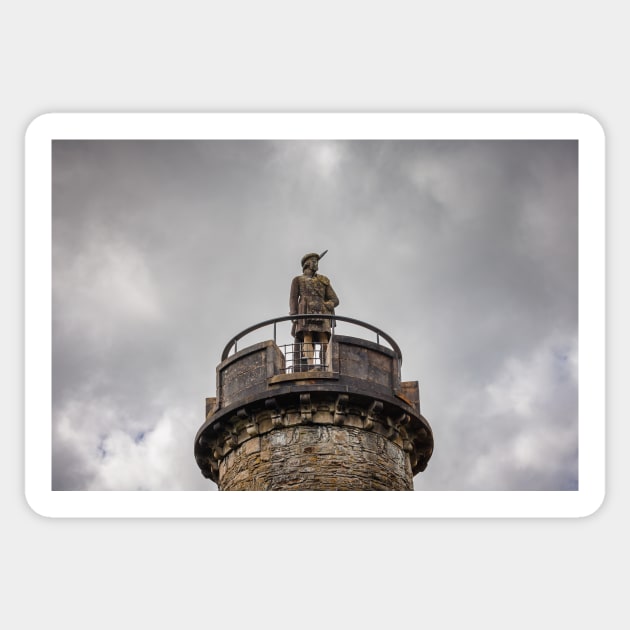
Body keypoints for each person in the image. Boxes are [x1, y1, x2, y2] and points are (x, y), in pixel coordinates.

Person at [289, 251, 339, 369]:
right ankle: (310, 365)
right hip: (304, 311)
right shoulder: (297, 280)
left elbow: (335, 299)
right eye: (314, 262)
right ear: (307, 264)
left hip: (322, 311)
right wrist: (294, 315)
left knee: (324, 337)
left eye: (317, 262)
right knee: (307, 336)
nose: (316, 264)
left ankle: (327, 365)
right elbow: (293, 298)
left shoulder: (323, 280)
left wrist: (328, 304)